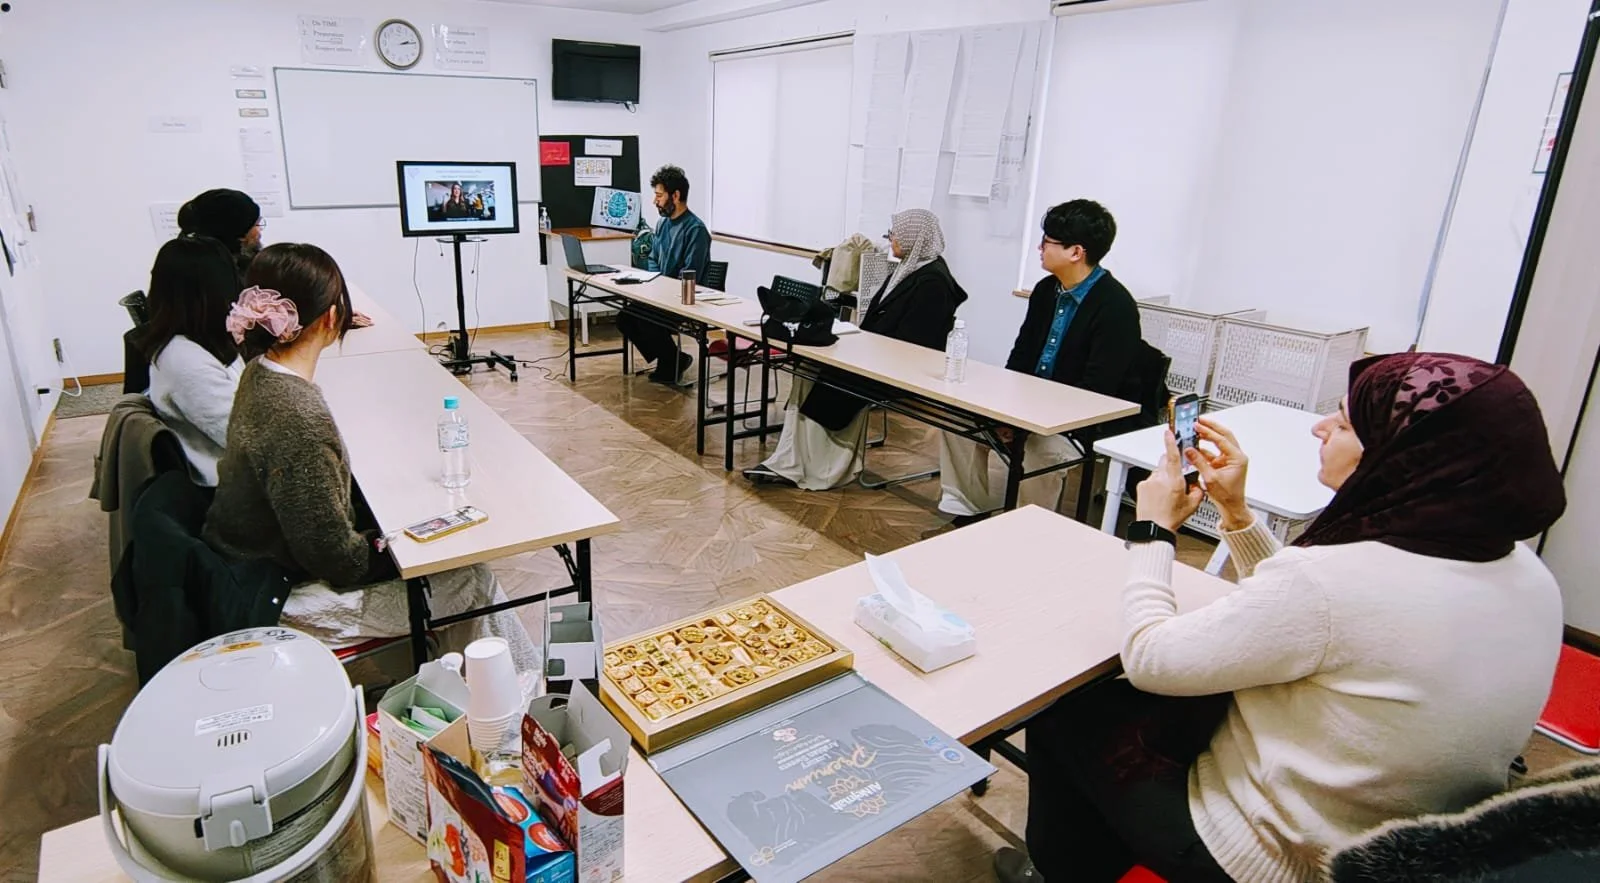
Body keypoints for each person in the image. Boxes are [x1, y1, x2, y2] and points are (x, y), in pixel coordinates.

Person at [995, 352, 1567, 883]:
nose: (1319, 427)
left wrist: (1152, 531)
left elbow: (1149, 660)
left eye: (1343, 424)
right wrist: (1237, 513)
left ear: (1398, 459)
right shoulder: (1526, 572)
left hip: (1281, 859)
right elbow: (1314, 620)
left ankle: (1058, 871)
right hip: (1409, 841)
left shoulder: (1335, 582)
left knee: (1066, 720)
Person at [203, 243, 541, 671]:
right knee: (471, 578)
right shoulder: (297, 415)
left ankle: (481, 689)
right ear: (330, 318)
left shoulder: (260, 372)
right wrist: (397, 549)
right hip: (284, 597)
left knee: (446, 557)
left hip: (249, 567)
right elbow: (337, 559)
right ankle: (517, 701)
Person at [938, 199, 1142, 524]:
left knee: (1040, 453)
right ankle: (969, 508)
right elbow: (1022, 354)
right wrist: (1005, 411)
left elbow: (1095, 392)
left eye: (1047, 242)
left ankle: (1027, 530)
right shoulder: (1047, 290)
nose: (1039, 247)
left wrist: (1029, 422)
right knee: (956, 420)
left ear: (1076, 252)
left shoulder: (1116, 307)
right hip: (1027, 407)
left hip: (1075, 423)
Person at [744, 210, 967, 490]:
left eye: (894, 234)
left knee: (830, 380)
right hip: (873, 356)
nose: (890, 239)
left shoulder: (933, 282)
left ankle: (824, 469)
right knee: (808, 369)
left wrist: (864, 348)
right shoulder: (908, 267)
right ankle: (793, 457)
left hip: (897, 369)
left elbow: (912, 344)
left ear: (914, 238)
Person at [136, 235, 245, 487]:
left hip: (241, 467)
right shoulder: (185, 362)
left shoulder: (205, 340)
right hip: (232, 486)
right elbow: (248, 441)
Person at [615, 165, 711, 385]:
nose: (654, 201)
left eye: (659, 195)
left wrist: (662, 289)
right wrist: (650, 283)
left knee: (648, 320)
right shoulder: (662, 224)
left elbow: (690, 273)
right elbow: (653, 259)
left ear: (675, 196)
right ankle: (673, 358)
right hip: (661, 294)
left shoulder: (695, 230)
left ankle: (671, 360)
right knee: (625, 318)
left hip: (685, 300)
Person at [177, 188, 263, 280]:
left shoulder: (180, 260)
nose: (259, 231)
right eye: (256, 224)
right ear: (238, 234)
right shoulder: (224, 279)